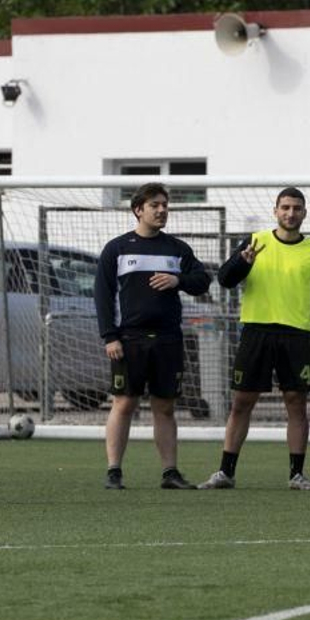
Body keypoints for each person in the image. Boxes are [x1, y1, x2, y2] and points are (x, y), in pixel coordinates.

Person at [200, 188, 310, 490]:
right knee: (241, 403)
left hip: (295, 335)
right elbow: (224, 279)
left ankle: (296, 474)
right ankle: (226, 472)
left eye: (296, 208)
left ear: (304, 212)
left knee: (296, 403)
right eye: (285, 207)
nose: (290, 213)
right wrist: (243, 262)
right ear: (275, 210)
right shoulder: (254, 242)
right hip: (256, 332)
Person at [94, 182, 211, 490]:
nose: (161, 211)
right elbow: (103, 297)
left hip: (168, 340)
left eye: (164, 205)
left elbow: (202, 281)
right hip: (128, 341)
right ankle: (114, 472)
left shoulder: (176, 249)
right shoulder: (117, 249)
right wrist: (110, 337)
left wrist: (178, 280)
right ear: (138, 210)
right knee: (124, 404)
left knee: (165, 407)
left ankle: (170, 473)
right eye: (155, 205)